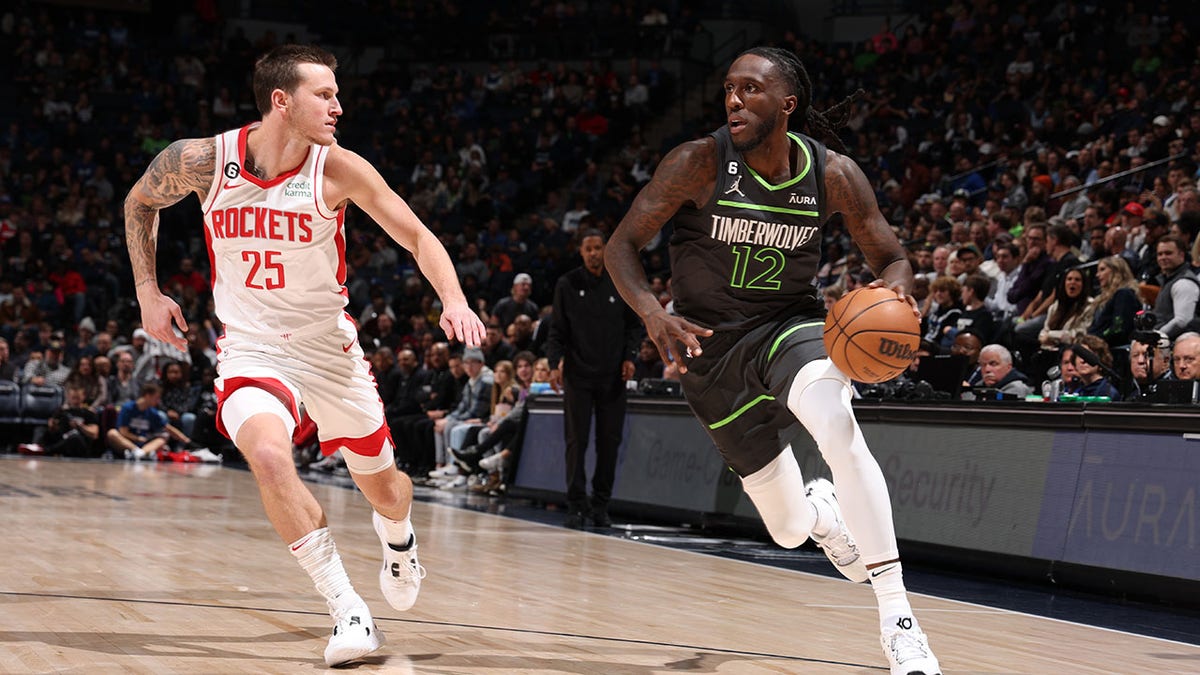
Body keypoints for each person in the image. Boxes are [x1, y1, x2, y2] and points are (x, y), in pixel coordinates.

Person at [122, 45, 485, 667]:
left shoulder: (339, 169)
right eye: (325, 94)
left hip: (329, 348)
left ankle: (398, 538)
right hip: (252, 346)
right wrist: (148, 292)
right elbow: (140, 202)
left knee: (388, 491)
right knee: (267, 454)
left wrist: (453, 298)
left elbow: (418, 236)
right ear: (281, 102)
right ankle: (347, 608)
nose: (339, 106)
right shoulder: (203, 160)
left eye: (337, 94)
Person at [604, 47, 941, 675]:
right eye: (729, 88)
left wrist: (893, 292)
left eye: (751, 90)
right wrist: (653, 312)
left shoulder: (834, 173)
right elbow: (622, 245)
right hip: (710, 353)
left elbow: (893, 258)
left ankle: (899, 620)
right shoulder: (697, 163)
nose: (733, 99)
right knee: (787, 529)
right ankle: (821, 514)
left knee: (839, 428)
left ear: (786, 104)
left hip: (791, 328)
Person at [545, 229, 641, 530]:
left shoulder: (619, 280)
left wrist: (630, 356)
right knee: (577, 442)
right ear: (581, 252)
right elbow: (557, 329)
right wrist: (553, 363)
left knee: (609, 443)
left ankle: (601, 506)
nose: (594, 253)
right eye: (588, 248)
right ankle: (576, 505)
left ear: (605, 250)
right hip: (578, 375)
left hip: (613, 376)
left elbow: (633, 327)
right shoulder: (568, 284)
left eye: (598, 248)